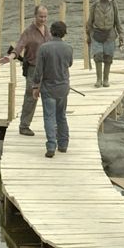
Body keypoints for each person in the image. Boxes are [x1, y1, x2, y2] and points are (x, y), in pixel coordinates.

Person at [0, 5, 51, 136]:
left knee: (49, 97)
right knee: (31, 97)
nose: (43, 19)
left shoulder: (47, 30)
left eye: (45, 16)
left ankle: (50, 126)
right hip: (33, 68)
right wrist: (10, 57)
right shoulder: (28, 32)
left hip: (47, 69)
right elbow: (19, 46)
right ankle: (24, 126)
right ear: (35, 16)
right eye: (40, 16)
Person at [32, 21, 74, 158]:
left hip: (48, 87)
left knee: (49, 117)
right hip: (63, 87)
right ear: (64, 33)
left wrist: (35, 86)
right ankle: (63, 144)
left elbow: (38, 71)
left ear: (51, 32)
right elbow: (70, 64)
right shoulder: (69, 48)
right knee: (61, 116)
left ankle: (51, 145)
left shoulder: (44, 48)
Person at [85, 0, 123, 87]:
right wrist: (88, 35)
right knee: (98, 56)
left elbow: (117, 21)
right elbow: (89, 21)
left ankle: (106, 79)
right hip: (97, 34)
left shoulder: (113, 5)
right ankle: (98, 79)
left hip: (110, 34)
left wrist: (121, 35)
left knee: (108, 57)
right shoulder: (94, 5)